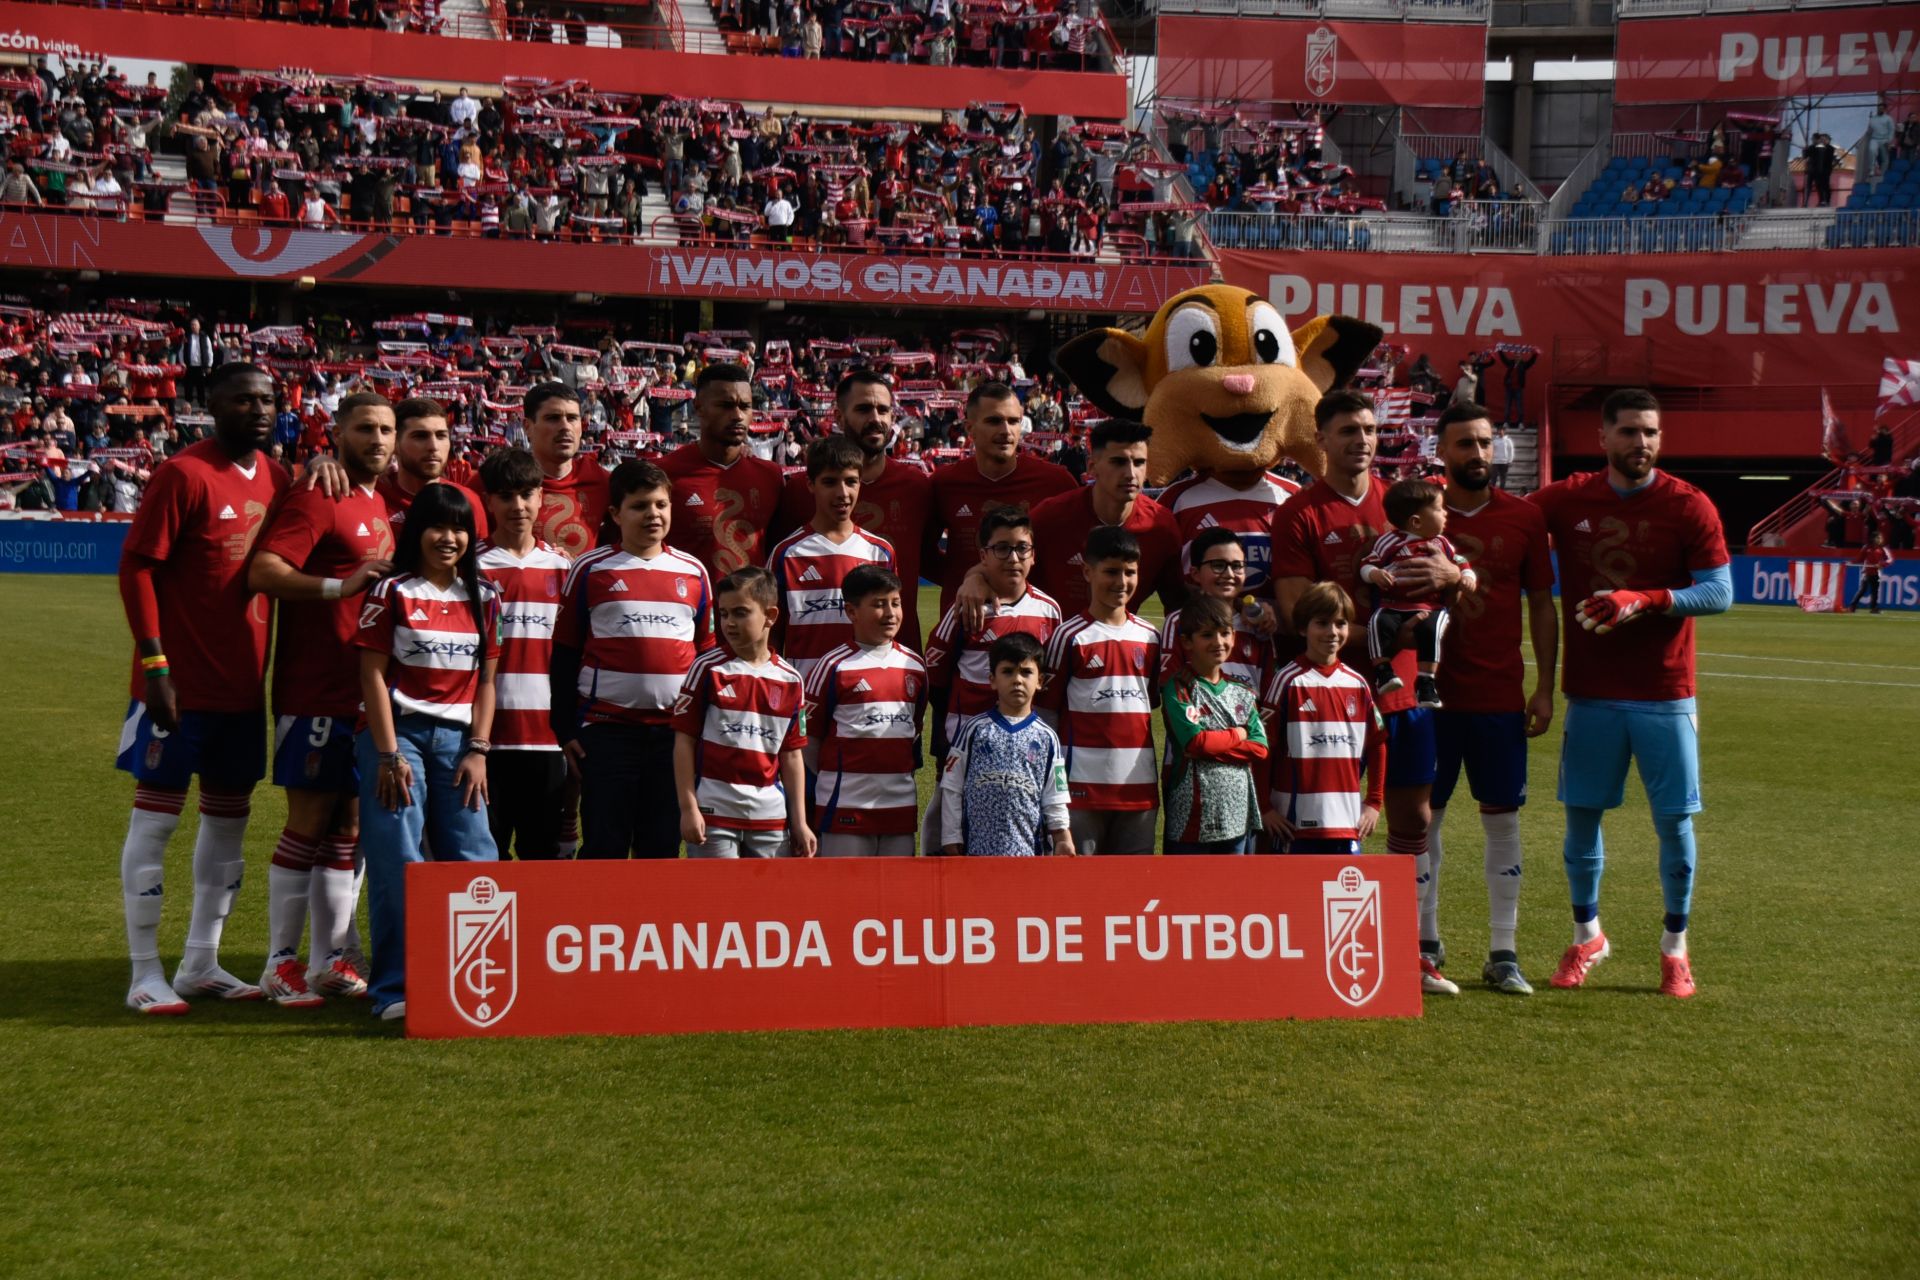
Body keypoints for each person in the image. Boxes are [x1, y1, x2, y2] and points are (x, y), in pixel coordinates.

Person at [1531, 387, 1732, 999]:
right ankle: (1587, 934)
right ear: (1603, 438)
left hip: (1666, 691)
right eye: (1628, 432)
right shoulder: (1566, 499)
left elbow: (1720, 593)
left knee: (1674, 823)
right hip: (1591, 692)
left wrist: (1646, 599)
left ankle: (1675, 947)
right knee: (1581, 819)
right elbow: (1507, 524)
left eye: (1650, 432)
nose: (1640, 443)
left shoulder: (1688, 504)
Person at [1271, 390, 1464, 995]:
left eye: (1371, 429)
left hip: (1401, 688)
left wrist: (1453, 577)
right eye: (1348, 430)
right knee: (1312, 820)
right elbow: (1292, 608)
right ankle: (1299, 942)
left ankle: (1414, 945)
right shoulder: (1299, 512)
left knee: (1413, 814)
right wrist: (1386, 629)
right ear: (1320, 439)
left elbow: (1450, 579)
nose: (1362, 439)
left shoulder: (1403, 505)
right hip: (1323, 694)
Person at [113, 363, 288, 1014]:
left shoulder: (278, 477)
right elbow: (137, 567)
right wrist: (155, 667)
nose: (259, 410)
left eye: (268, 400)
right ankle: (142, 972)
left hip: (242, 688)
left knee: (228, 825)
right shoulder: (183, 474)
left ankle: (201, 962)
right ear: (211, 406)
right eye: (243, 399)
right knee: (155, 823)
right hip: (175, 687)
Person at [248, 391, 400, 1006]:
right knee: (307, 822)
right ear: (337, 433)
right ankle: (278, 962)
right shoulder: (321, 493)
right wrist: (342, 585)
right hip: (313, 688)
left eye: (387, 429)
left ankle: (329, 958)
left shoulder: (376, 500)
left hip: (361, 692)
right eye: (365, 429)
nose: (380, 440)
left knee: (349, 825)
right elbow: (264, 571)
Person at [353, 484, 501, 1023]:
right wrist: (389, 754)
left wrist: (480, 748)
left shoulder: (488, 596)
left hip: (462, 743)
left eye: (460, 528)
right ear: (416, 531)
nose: (449, 538)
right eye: (438, 526)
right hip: (398, 739)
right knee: (398, 860)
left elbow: (488, 680)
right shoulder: (390, 590)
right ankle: (395, 988)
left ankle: (479, 973)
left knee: (474, 856)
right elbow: (370, 672)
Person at [1425, 402, 1557, 996]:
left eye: (1484, 444)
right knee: (1424, 817)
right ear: (1442, 453)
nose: (1477, 455)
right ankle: (1424, 941)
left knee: (1502, 819)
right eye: (1464, 445)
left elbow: (1541, 605)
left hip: (1499, 695)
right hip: (1429, 699)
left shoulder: (1524, 518)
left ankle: (1503, 951)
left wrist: (1545, 686)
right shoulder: (1417, 518)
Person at [551, 459, 712, 860]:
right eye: (640, 506)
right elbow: (565, 653)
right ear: (616, 514)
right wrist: (565, 728)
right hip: (607, 732)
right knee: (605, 844)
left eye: (661, 504)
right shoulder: (591, 569)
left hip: (673, 738)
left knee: (659, 847)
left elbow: (706, 661)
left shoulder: (693, 572)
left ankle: (648, 923)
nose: (653, 514)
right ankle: (595, 923)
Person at [922, 505, 1063, 851]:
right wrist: (955, 731)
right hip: (967, 748)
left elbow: (1051, 684)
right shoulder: (967, 609)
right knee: (952, 835)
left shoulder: (1049, 611)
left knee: (1021, 831)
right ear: (983, 555)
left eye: (1021, 548)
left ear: (1034, 555)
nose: (1012, 557)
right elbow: (935, 677)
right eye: (1001, 548)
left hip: (1025, 753)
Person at [776, 370, 933, 646]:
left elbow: (942, 562)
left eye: (883, 410)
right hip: (815, 668)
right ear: (838, 418)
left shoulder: (918, 486)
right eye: (863, 409)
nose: (875, 418)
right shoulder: (799, 491)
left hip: (896, 667)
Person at [672, 567, 815, 858]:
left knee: (768, 904)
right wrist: (689, 808)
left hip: (771, 819)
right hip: (714, 815)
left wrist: (799, 821)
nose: (729, 624)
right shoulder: (707, 669)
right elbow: (684, 742)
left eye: (740, 613)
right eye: (723, 614)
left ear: (770, 616)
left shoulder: (791, 679)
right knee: (717, 902)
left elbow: (791, 755)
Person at [1040, 525, 1162, 855]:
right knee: (1080, 888)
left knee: (1134, 889)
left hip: (1139, 787)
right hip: (1081, 789)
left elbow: (1148, 703)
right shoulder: (1069, 637)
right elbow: (1047, 715)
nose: (1121, 582)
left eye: (1130, 572)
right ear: (1087, 572)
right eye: (1111, 571)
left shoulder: (1150, 637)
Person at [476, 448, 572, 859]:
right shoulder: (468, 567)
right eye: (506, 496)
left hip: (547, 740)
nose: (518, 506)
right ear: (489, 501)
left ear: (541, 498)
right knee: (483, 860)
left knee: (542, 861)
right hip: (485, 741)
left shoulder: (564, 569)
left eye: (527, 494)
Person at [802, 564, 928, 856]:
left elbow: (914, 728)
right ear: (852, 612)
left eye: (895, 603)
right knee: (846, 896)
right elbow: (809, 739)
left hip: (899, 807)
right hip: (846, 807)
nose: (890, 613)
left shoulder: (914, 665)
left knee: (895, 897)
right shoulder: (833, 666)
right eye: (878, 604)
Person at [928, 381, 1077, 617]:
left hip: (1036, 626)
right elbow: (925, 555)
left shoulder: (1057, 482)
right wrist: (965, 577)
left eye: (1013, 421)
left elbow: (1076, 553)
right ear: (970, 428)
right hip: (966, 628)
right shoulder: (943, 483)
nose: (1006, 431)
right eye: (994, 421)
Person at [1257, 582, 1384, 856]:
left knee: (1340, 897)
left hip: (1347, 823)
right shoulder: (1288, 681)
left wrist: (1374, 802)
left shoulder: (1358, 684)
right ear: (1303, 628)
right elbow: (1263, 749)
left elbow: (1377, 744)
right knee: (1295, 897)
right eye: (1322, 623)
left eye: (1340, 623)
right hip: (1294, 823)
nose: (1332, 632)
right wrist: (1265, 808)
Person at [767, 435, 896, 679]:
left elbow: (889, 628)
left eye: (851, 482)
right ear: (810, 485)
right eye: (829, 482)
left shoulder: (880, 552)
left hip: (864, 693)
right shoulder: (787, 553)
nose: (842, 493)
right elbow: (772, 635)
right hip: (805, 692)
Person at [1028, 420, 1185, 619]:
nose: (1130, 474)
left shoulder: (1161, 526)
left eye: (1139, 463)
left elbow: (1177, 604)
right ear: (1092, 466)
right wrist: (977, 578)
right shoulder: (1049, 517)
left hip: (1120, 647)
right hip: (1050, 646)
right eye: (1118, 462)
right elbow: (1006, 574)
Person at [938, 631, 1074, 858]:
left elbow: (1055, 795)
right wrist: (951, 836)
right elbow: (952, 786)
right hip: (976, 852)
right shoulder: (974, 730)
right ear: (992, 680)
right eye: (1008, 672)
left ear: (1040, 681)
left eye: (1026, 672)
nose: (1017, 680)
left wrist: (1063, 835)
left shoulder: (1047, 737)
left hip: (1029, 854)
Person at [1161, 596, 1268, 854]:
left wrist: (1212, 747)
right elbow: (1196, 743)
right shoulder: (1180, 687)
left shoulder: (1242, 691)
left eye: (1224, 633)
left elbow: (1260, 749)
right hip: (1192, 814)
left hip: (1238, 812)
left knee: (1233, 892)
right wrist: (1238, 733)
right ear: (1187, 642)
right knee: (1188, 892)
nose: (1218, 642)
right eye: (1207, 635)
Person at [1359, 478, 1478, 710]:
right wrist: (1374, 574)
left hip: (1429, 606)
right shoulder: (1389, 541)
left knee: (1433, 629)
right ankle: (1383, 670)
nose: (1445, 514)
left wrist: (1466, 577)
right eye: (1439, 509)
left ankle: (1426, 681)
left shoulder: (1441, 543)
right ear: (1416, 521)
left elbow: (1460, 562)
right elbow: (1367, 562)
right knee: (1376, 622)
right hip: (1393, 603)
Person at [660, 363, 785, 579]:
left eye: (745, 406)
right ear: (698, 407)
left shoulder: (770, 476)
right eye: (726, 405)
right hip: (688, 609)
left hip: (754, 610)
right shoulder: (664, 474)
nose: (737, 415)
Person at [1155, 463, 1300, 594]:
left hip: (1277, 621)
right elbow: (1159, 575)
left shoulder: (1292, 495)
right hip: (1200, 620)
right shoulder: (1175, 497)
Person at [1157, 527, 1272, 691]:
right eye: (1218, 565)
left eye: (1237, 566)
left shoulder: (1258, 623)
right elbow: (1170, 689)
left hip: (1250, 716)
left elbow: (1267, 695)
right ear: (1195, 573)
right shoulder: (1179, 621)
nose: (1229, 574)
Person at [377, 397, 490, 539]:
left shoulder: (468, 502)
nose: (434, 447)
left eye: (441, 436)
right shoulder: (371, 497)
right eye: (420, 436)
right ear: (395, 444)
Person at [524, 381, 611, 559]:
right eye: (553, 418)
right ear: (528, 427)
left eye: (572, 418)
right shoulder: (499, 482)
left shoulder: (603, 481)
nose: (565, 427)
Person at [1850, 532, 1892, 614]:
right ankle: (1852, 606)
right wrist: (1851, 563)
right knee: (1862, 590)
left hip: (1876, 573)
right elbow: (1860, 559)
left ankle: (1873, 608)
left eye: (1881, 538)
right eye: (1878, 538)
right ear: (1874, 538)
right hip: (1867, 572)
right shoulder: (1866, 547)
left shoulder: (1883, 549)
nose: (1880, 539)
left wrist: (1882, 564)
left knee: (1875, 591)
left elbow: (1889, 560)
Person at [1801, 132, 1836, 207]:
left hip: (1823, 170)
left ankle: (1824, 201)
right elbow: (1805, 156)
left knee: (1822, 186)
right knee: (1810, 186)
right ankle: (1806, 202)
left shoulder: (1829, 148)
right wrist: (1804, 150)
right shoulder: (1813, 147)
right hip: (1812, 170)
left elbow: (1827, 159)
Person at [1490, 424, 1515, 489]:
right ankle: (1492, 493)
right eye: (1499, 430)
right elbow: (1491, 450)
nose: (1500, 432)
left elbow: (1511, 451)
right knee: (1493, 478)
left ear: (1504, 431)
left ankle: (1501, 493)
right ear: (1497, 431)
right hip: (1495, 462)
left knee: (1503, 479)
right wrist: (1490, 460)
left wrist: (1510, 460)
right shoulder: (1494, 440)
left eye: (1501, 430)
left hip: (1504, 462)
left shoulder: (1508, 440)